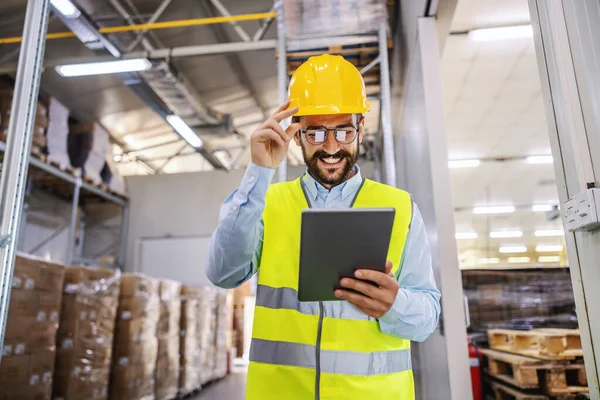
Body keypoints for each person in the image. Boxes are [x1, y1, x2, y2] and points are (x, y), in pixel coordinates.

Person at [206, 54, 441, 400]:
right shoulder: (266, 202)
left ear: (361, 129)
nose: (331, 147)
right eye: (315, 132)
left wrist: (395, 305)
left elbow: (428, 318)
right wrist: (259, 173)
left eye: (344, 130)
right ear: (296, 133)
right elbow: (222, 272)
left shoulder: (401, 207)